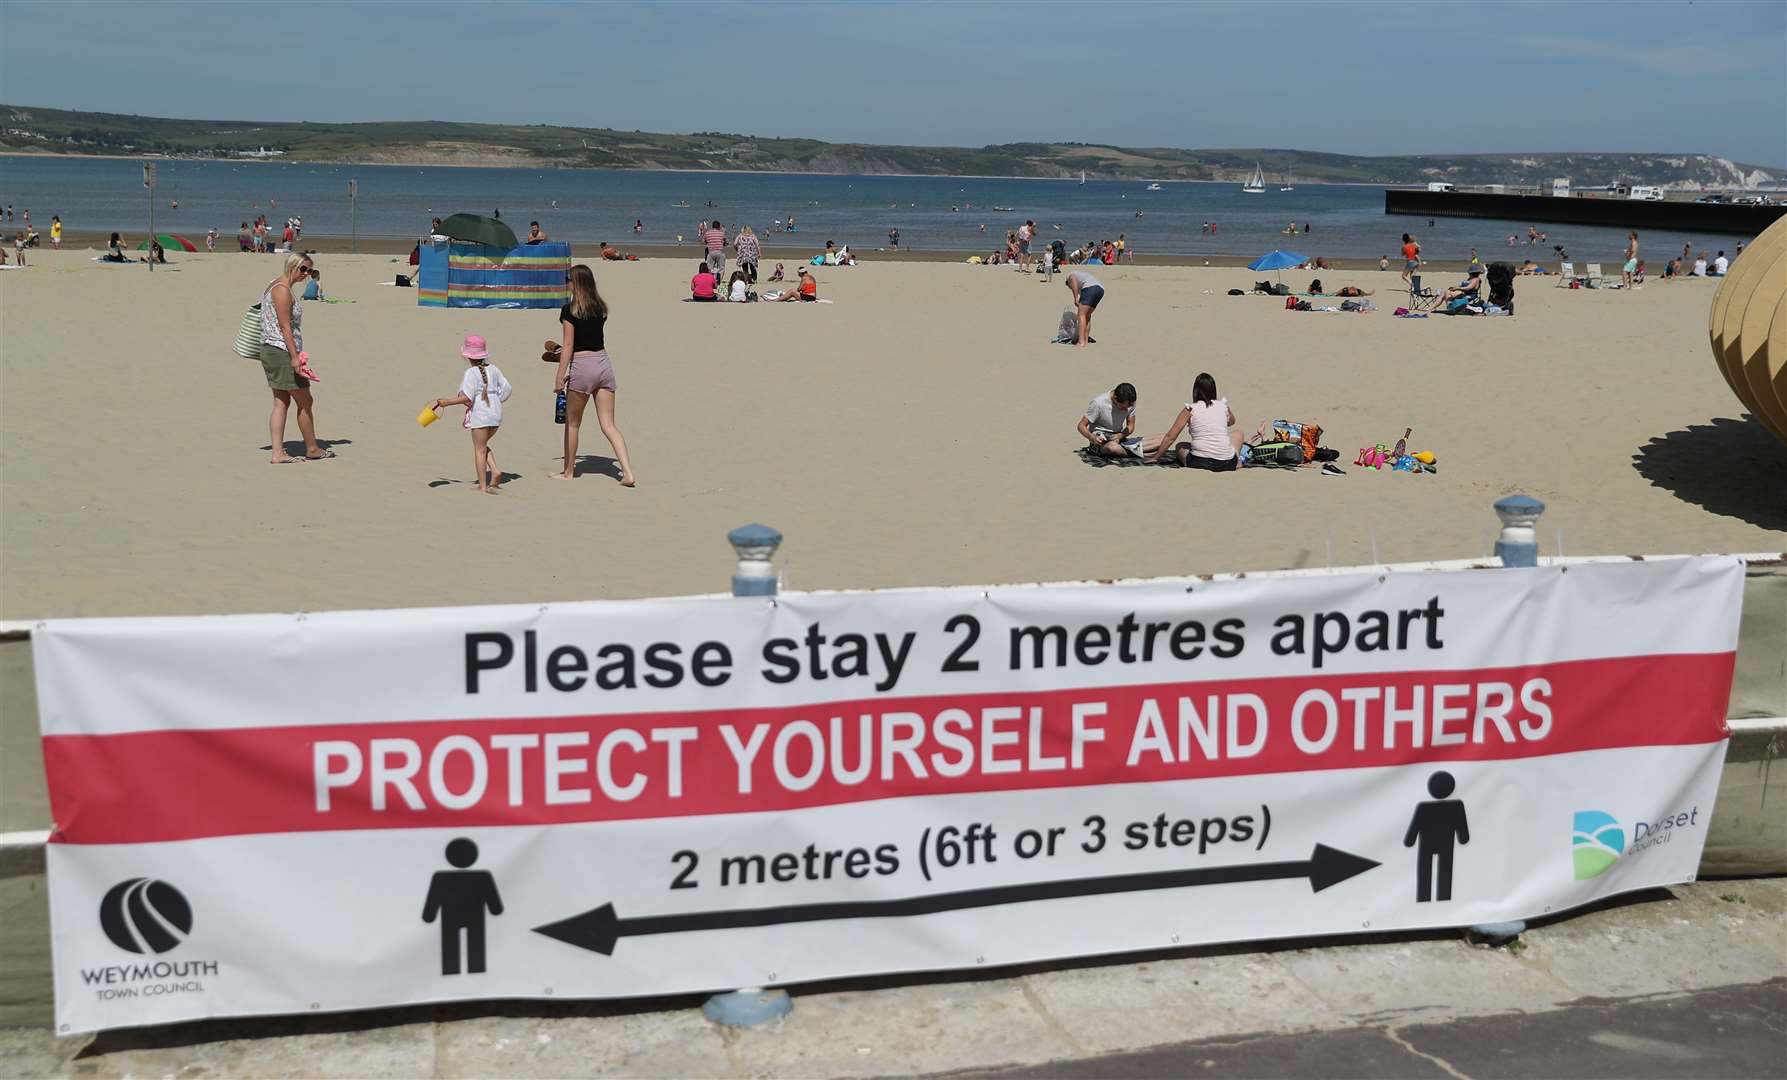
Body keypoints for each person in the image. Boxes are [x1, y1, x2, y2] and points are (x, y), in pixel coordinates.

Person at [553, 264, 635, 486]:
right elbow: (589, 336)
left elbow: (569, 345)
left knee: (573, 423)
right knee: (609, 425)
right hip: (603, 363)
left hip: (582, 365)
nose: (566, 283)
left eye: (568, 279)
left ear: (575, 283)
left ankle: (568, 471)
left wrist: (559, 376)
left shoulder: (569, 310)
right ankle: (627, 472)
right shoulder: (600, 308)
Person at [259, 253, 331, 464]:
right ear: (292, 266)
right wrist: (294, 357)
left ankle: (278, 452)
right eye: (302, 269)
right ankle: (312, 448)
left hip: (272, 349)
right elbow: (285, 326)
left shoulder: (277, 285)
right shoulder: (281, 289)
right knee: (305, 400)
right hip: (280, 351)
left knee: (282, 401)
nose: (305, 274)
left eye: (309, 271)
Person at [425, 334, 512, 494]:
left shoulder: (471, 373)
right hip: (496, 414)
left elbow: (466, 397)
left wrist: (446, 402)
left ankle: (483, 486)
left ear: (467, 356)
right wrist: (497, 400)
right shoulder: (494, 369)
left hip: (481, 414)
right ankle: (495, 470)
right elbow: (507, 389)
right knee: (483, 444)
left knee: (479, 449)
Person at [1146, 373, 1242, 470]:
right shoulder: (1223, 406)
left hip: (1199, 462)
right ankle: (1237, 461)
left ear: (1196, 390)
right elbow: (1232, 422)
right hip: (1227, 463)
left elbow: (1171, 437)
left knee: (1180, 445)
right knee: (1238, 433)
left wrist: (1156, 457)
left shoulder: (1190, 409)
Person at [1079, 382, 1158, 458]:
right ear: (1115, 399)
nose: (1125, 410)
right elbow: (1081, 426)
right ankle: (1139, 453)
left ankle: (1132, 450)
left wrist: (1121, 435)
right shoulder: (1098, 403)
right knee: (1112, 448)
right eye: (1123, 407)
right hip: (1100, 440)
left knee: (1161, 439)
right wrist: (1092, 438)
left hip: (1119, 437)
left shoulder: (1130, 402)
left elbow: (1130, 426)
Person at [1064, 268, 1104, 346]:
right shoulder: (1082, 277)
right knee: (1087, 316)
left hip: (1091, 288)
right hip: (1100, 289)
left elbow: (1073, 280)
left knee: (1081, 315)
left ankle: (1081, 342)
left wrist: (1075, 298)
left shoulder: (1070, 276)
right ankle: (1085, 340)